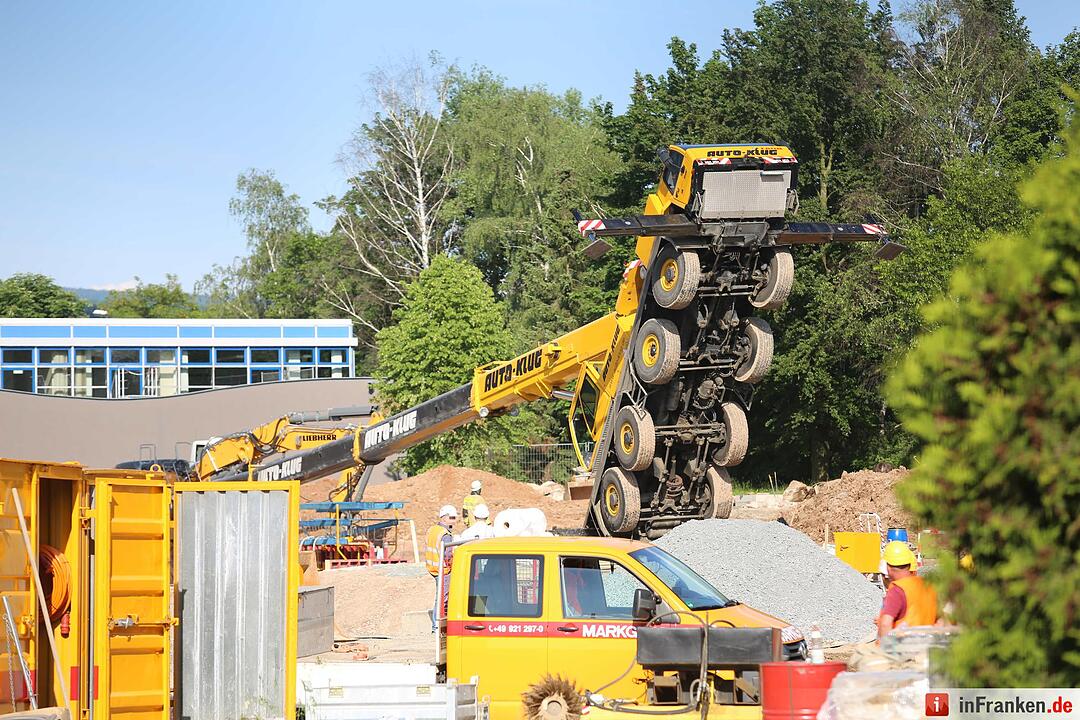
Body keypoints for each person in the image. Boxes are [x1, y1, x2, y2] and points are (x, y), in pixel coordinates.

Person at [877, 541, 939, 641]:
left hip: (903, 648)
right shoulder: (929, 586)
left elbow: (885, 624)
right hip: (927, 646)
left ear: (888, 567)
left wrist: (885, 650)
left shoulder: (897, 589)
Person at [425, 505, 457, 631]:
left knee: (440, 596)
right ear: (444, 518)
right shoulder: (445, 534)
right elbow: (448, 555)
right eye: (452, 518)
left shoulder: (433, 530)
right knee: (442, 598)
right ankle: (436, 626)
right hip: (442, 569)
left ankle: (436, 624)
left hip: (432, 567)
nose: (454, 521)